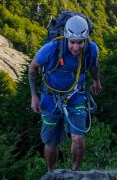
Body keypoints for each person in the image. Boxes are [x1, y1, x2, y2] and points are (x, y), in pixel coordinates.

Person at [29, 14, 102, 171]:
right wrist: (34, 95)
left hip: (76, 96)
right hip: (49, 98)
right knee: (51, 142)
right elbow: (32, 68)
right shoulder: (51, 49)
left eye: (80, 43)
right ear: (66, 38)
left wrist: (97, 81)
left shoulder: (91, 50)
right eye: (73, 43)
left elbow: (94, 66)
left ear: (86, 40)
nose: (76, 47)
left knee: (78, 138)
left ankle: (75, 173)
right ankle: (51, 173)